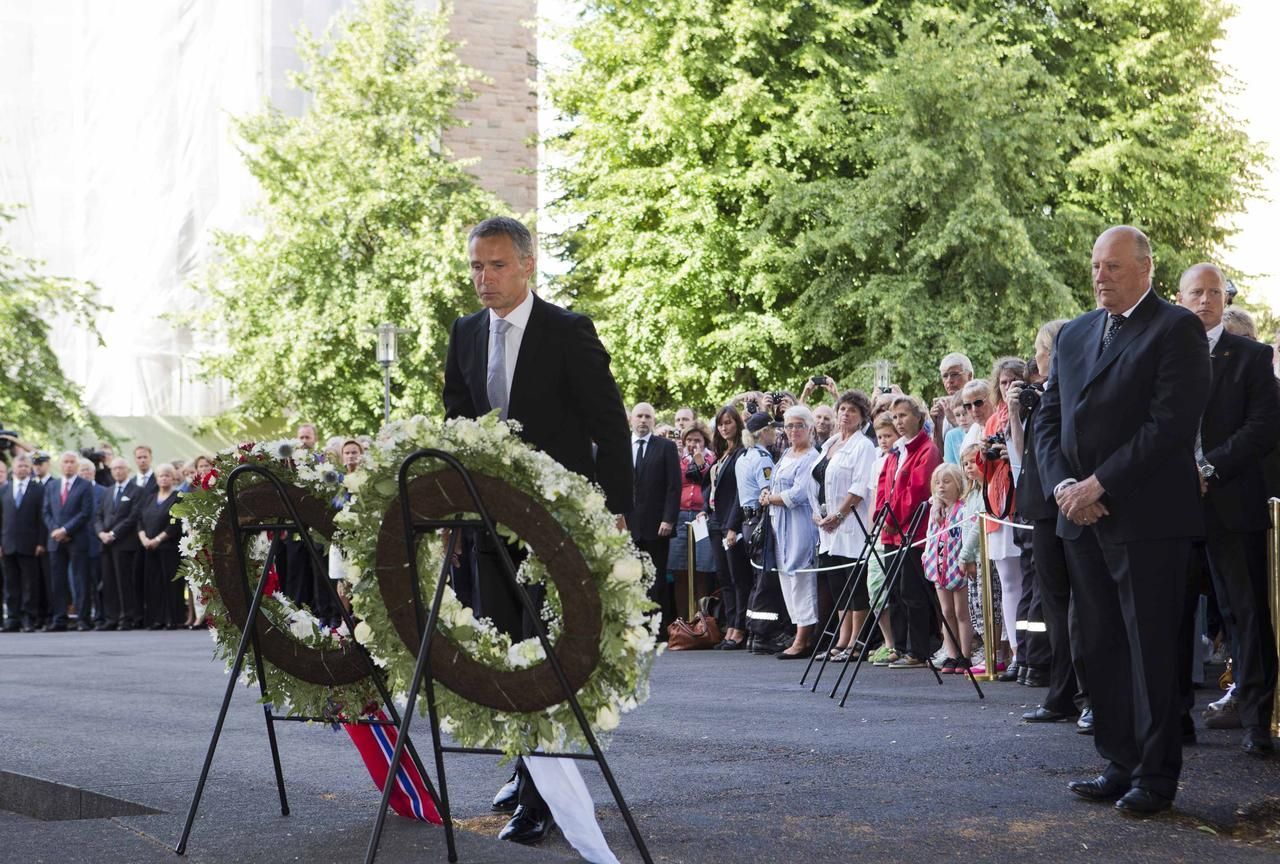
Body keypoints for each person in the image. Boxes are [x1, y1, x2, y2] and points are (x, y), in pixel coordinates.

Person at [442, 215, 632, 846]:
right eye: (475, 266)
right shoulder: (464, 334)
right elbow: (457, 426)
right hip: (489, 526)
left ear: (527, 264)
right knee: (502, 650)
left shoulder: (568, 331)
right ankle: (526, 769)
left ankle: (538, 798)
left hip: (559, 528)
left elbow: (610, 424)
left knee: (544, 654)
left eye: (496, 266)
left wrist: (614, 510)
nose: (483, 279)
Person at [1036, 225, 1210, 815]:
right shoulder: (1076, 333)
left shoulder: (1176, 328)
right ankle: (1118, 761)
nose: (1099, 276)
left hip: (1145, 518)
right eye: (1094, 266)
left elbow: (1170, 424)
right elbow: (1047, 420)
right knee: (1101, 647)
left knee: (1151, 650)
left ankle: (1156, 779)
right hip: (1078, 518)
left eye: (1112, 266)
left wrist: (1099, 484)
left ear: (1146, 269)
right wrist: (1065, 486)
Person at [1177, 263, 1280, 755]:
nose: (1205, 300)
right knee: (1173, 615)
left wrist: (1209, 468)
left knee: (1246, 613)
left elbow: (1263, 426)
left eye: (1214, 292)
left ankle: (1258, 721)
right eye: (1196, 292)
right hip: (1168, 507)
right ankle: (1173, 718)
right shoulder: (1161, 355)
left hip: (1231, 503)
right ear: (1179, 298)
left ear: (1224, 298)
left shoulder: (1251, 356)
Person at [1009, 320, 1088, 725]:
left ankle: (1089, 695)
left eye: (1039, 351)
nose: (1034, 360)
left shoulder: (1076, 391)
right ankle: (1062, 693)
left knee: (1082, 607)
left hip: (1069, 506)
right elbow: (1023, 455)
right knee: (1056, 608)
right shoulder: (1041, 397)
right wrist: (1013, 412)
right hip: (1040, 508)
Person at [875, 396, 941, 669]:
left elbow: (916, 491)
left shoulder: (927, 450)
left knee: (913, 591)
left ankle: (919, 648)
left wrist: (893, 519)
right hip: (892, 532)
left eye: (903, 415)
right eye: (896, 416)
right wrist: (882, 517)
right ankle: (900, 646)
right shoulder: (896, 451)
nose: (899, 421)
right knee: (896, 590)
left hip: (913, 533)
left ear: (918, 417)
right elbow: (884, 486)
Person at [811, 391, 877, 662]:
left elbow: (859, 486)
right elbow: (816, 480)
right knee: (838, 584)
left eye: (852, 410)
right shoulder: (831, 443)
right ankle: (842, 638)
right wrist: (819, 515)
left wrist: (838, 516)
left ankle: (855, 641)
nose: (845, 414)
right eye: (842, 409)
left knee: (854, 584)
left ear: (862, 416)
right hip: (826, 528)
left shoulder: (864, 446)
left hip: (850, 524)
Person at [761, 405, 822, 659]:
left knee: (801, 577)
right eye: (789, 426)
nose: (794, 430)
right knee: (787, 577)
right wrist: (766, 493)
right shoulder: (786, 453)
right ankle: (798, 631)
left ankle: (803, 638)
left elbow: (797, 494)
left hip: (799, 524)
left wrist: (770, 498)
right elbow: (774, 482)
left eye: (799, 425)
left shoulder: (812, 456)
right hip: (779, 524)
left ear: (810, 428)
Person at [737, 413, 791, 654]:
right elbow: (767, 493)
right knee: (767, 578)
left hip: (747, 521)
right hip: (760, 519)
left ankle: (753, 631)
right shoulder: (763, 459)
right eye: (772, 429)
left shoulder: (744, 456)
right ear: (763, 433)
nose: (776, 433)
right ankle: (764, 633)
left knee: (758, 577)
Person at [625, 402, 681, 632]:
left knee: (655, 579)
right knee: (629, 578)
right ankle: (632, 626)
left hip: (657, 526)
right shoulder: (620, 446)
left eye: (648, 416)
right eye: (639, 416)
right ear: (631, 419)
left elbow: (673, 486)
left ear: (654, 420)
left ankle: (655, 628)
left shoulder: (665, 447)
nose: (643, 420)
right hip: (626, 526)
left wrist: (668, 519)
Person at [705, 406, 751, 650]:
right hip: (714, 521)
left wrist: (733, 526)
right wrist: (705, 507)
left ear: (738, 424)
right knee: (724, 577)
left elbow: (739, 495)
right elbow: (712, 488)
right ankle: (730, 626)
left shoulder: (742, 453)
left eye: (729, 423)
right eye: (721, 424)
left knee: (738, 577)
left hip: (731, 523)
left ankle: (739, 627)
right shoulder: (721, 453)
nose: (724, 428)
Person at [923, 462, 973, 673]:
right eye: (937, 482)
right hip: (939, 565)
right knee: (946, 611)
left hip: (957, 566)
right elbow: (929, 536)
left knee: (962, 611)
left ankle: (965, 654)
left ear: (958, 484)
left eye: (946, 481)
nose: (941, 487)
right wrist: (927, 556)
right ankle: (951, 654)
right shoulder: (936, 511)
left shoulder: (963, 510)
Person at [958, 443, 1002, 675]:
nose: (969, 467)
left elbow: (978, 527)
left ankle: (995, 654)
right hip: (973, 558)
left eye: (974, 462)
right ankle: (988, 651)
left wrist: (965, 554)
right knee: (977, 609)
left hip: (984, 555)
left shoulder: (988, 491)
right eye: (965, 463)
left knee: (990, 606)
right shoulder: (972, 494)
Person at [667, 422, 716, 623]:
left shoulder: (711, 459)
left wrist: (699, 460)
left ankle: (701, 618)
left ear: (705, 441)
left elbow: (709, 481)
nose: (693, 444)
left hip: (701, 516)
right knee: (680, 569)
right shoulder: (679, 460)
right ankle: (682, 619)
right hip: (680, 516)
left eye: (697, 440)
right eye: (689, 440)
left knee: (702, 568)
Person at [42, 451, 95, 631]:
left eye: (72, 462)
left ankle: (82, 619)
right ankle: (59, 619)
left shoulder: (85, 485)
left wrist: (66, 529)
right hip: (55, 541)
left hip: (77, 539)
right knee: (57, 581)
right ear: (60, 464)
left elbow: (86, 512)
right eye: (65, 462)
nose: (69, 465)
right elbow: (46, 512)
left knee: (81, 580)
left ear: (77, 465)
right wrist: (56, 530)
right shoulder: (52, 486)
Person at [866, 412, 901, 666]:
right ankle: (888, 640)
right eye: (880, 436)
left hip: (896, 530)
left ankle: (898, 643)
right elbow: (873, 499)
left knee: (897, 589)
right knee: (875, 588)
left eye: (888, 435)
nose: (883, 440)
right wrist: (871, 531)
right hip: (877, 532)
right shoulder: (877, 460)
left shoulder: (898, 457)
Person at [96, 457, 141, 631]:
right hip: (106, 544)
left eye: (121, 468)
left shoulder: (137, 491)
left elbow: (133, 517)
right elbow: (98, 515)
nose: (117, 471)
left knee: (124, 582)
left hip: (125, 544)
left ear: (128, 470)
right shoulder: (108, 491)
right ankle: (112, 617)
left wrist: (114, 534)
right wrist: (101, 533)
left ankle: (127, 617)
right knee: (109, 582)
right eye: (114, 469)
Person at [1, 454, 45, 632]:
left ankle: (28, 618)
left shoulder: (38, 489)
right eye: (20, 466)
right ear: (14, 468)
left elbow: (42, 518)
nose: (23, 469)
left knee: (29, 584)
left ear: (30, 469)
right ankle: (13, 618)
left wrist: (41, 542)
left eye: (26, 466)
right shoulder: (4, 490)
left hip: (30, 544)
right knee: (11, 584)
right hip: (8, 544)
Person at [138, 463, 183, 630]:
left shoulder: (178, 497)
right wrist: (144, 538)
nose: (164, 478)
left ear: (173, 478)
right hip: (149, 548)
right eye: (161, 476)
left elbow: (175, 524)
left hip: (168, 547)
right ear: (156, 479)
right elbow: (140, 520)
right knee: (153, 583)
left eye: (167, 475)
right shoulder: (149, 497)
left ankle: (172, 618)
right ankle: (156, 619)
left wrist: (158, 539)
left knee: (170, 583)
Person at [77, 459, 108, 629]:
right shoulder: (74, 490)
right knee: (81, 583)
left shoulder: (103, 491)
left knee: (99, 583)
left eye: (88, 470)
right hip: (78, 545)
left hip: (97, 544)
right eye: (82, 471)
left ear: (94, 472)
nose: (85, 474)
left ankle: (100, 617)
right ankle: (83, 618)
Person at [931, 353, 974, 451]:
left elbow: (975, 443)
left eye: (954, 375)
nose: (949, 381)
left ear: (969, 376)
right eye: (945, 376)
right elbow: (940, 455)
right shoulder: (944, 406)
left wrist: (954, 420)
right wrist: (938, 424)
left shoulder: (979, 403)